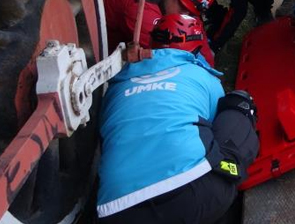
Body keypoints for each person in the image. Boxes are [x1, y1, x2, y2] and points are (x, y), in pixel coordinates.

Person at [97, 14, 259, 223]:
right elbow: (213, 122)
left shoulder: (117, 84)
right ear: (196, 47)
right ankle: (231, 177)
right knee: (239, 103)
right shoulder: (202, 76)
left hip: (115, 209)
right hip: (191, 193)